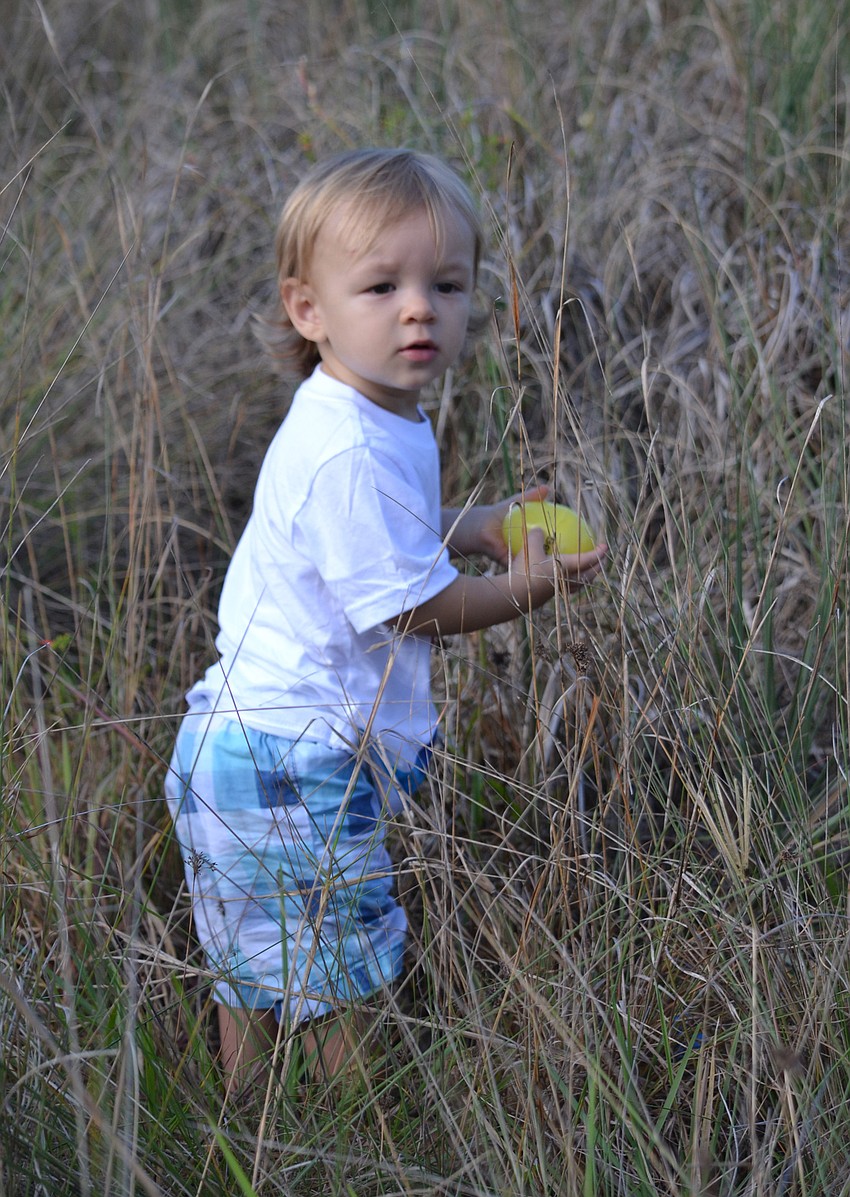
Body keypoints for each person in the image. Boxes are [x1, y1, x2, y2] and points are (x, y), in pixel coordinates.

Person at [164, 147, 607, 1096]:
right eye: (381, 285)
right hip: (297, 759)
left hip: (243, 749)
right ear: (307, 309)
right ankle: (351, 1133)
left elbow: (374, 546)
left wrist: (476, 526)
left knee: (258, 964)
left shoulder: (363, 413)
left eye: (445, 283)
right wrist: (526, 589)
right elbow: (411, 602)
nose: (419, 307)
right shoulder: (350, 448)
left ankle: (248, 1114)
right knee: (340, 978)